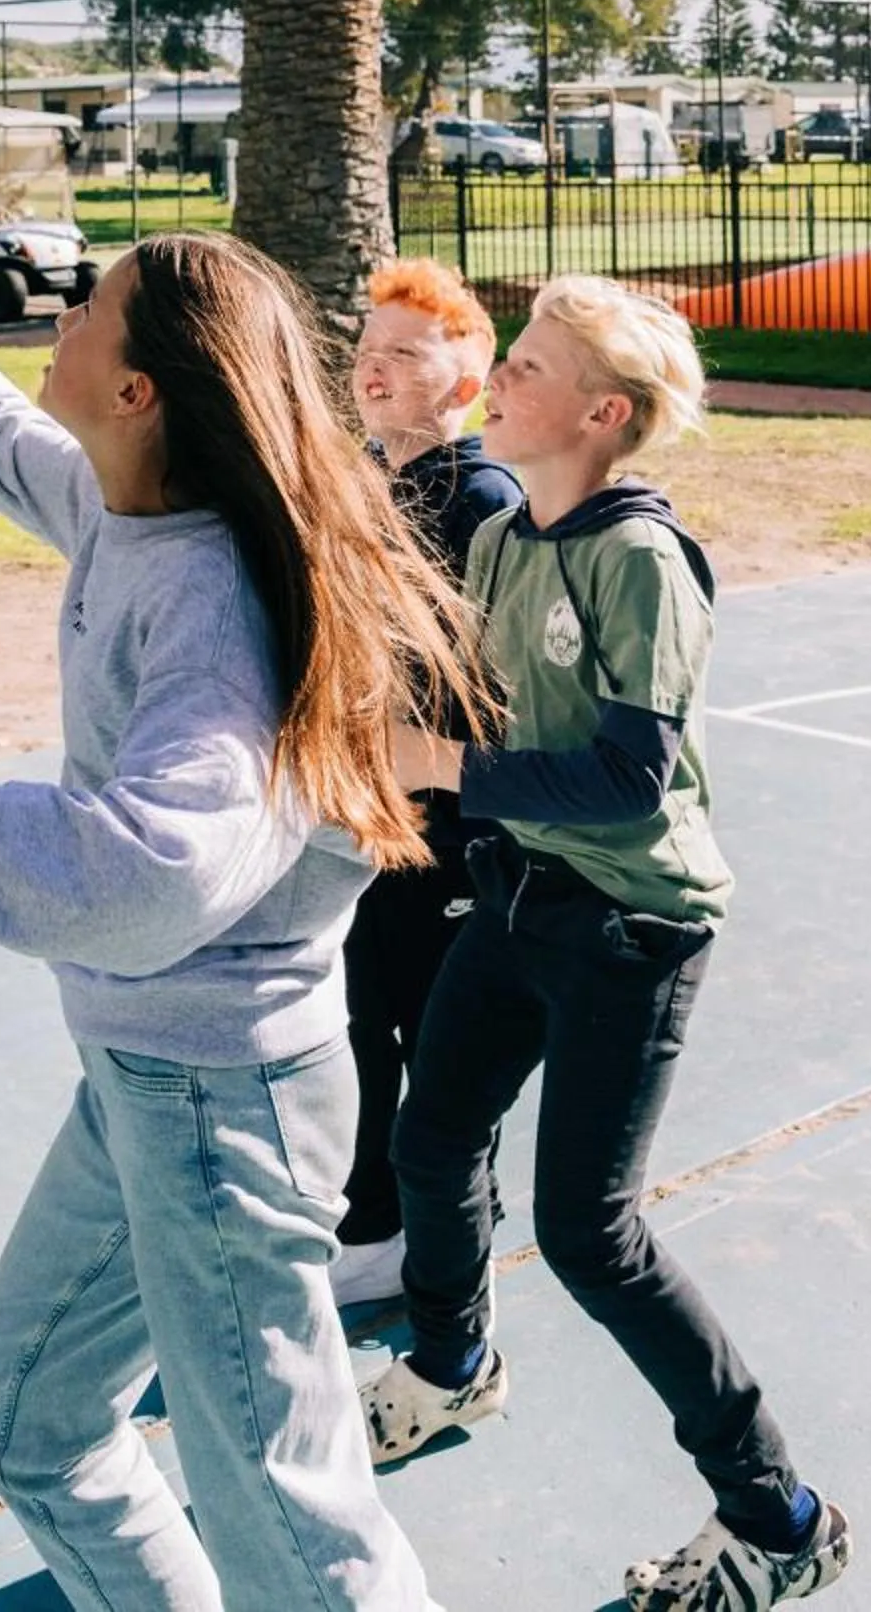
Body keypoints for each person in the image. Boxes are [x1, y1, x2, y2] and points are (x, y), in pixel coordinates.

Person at [0, 133, 484, 1612]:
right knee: (29, 1413)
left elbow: (147, 880)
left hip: (220, 1104)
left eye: (90, 309)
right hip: (147, 1080)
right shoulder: (127, 505)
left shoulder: (207, 600)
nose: (61, 317)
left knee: (293, 1529)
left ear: (138, 393)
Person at [365, 274, 851, 1612]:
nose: (498, 382)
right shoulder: (502, 538)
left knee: (590, 1234)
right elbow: (479, 709)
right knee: (430, 1142)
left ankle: (779, 1515)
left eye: (526, 366)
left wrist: (440, 765)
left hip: (633, 929)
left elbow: (630, 781)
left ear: (602, 415)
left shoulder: (641, 561)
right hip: (520, 896)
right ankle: (452, 1365)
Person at [333, 260, 520, 1309]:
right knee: (360, 1029)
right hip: (362, 819)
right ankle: (376, 1219)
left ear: (467, 384)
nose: (376, 369)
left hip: (444, 835)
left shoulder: (484, 503)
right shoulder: (360, 476)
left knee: (432, 1051)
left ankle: (444, 1237)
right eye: (367, 350)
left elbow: (500, 685)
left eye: (406, 354)